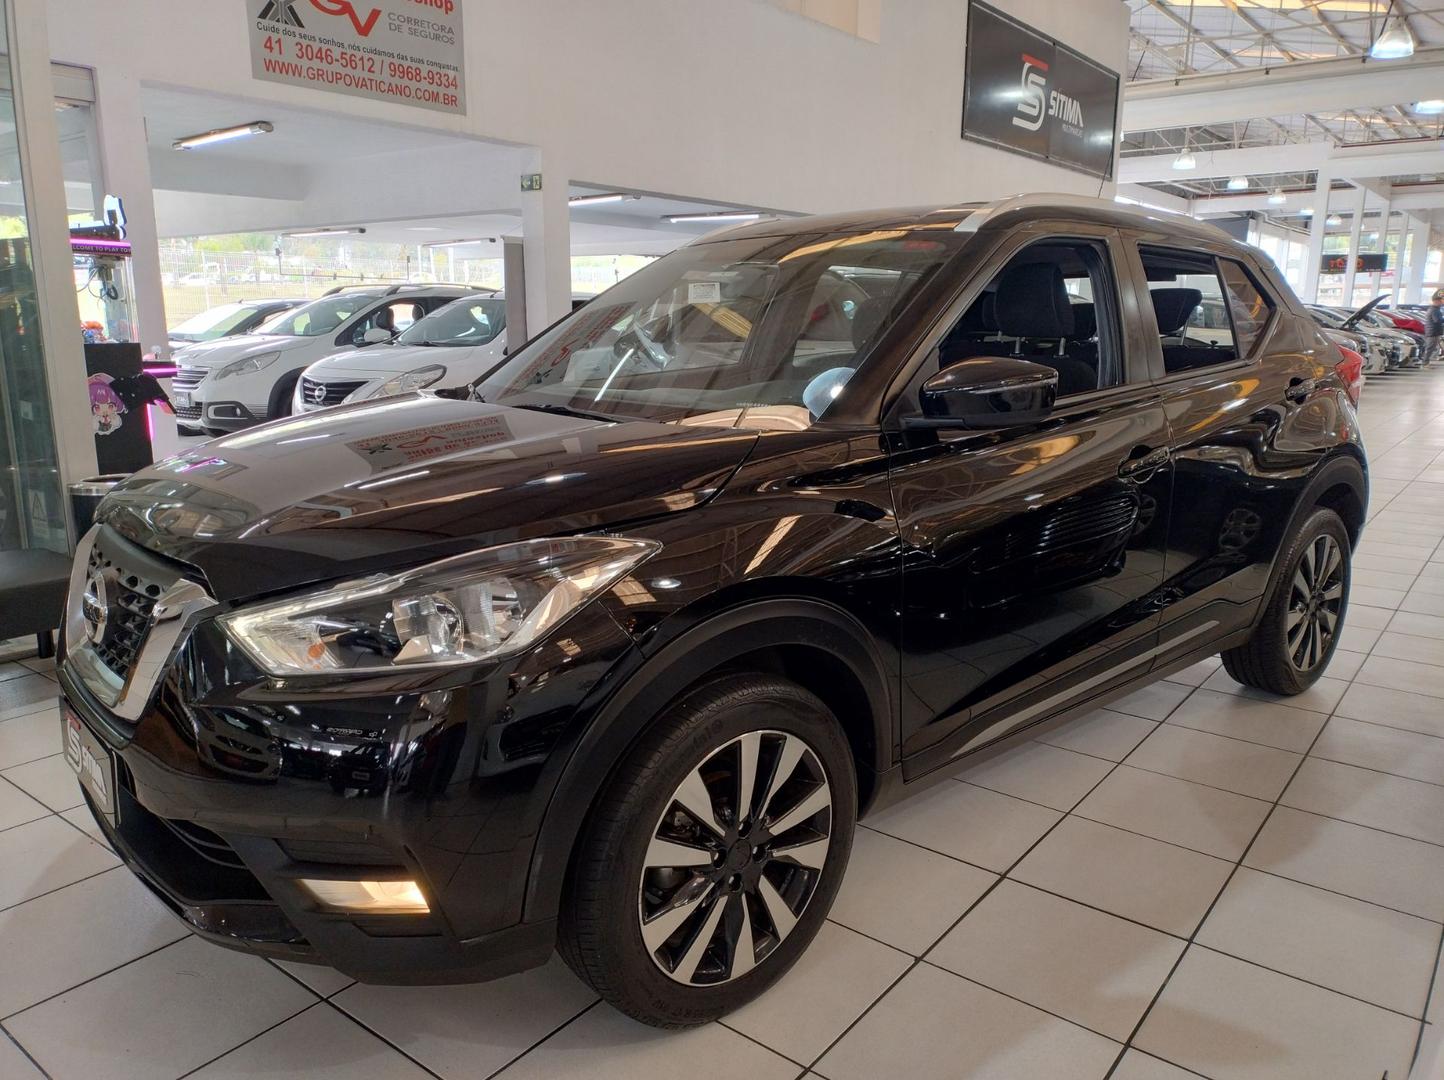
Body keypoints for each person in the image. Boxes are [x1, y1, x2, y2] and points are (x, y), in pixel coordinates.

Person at [1426, 290, 1444, 365]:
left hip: (1434, 332)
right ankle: (1425, 363)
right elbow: (1437, 320)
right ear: (1436, 301)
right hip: (1433, 332)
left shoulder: (1434, 309)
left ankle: (1426, 362)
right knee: (1430, 348)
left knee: (1432, 348)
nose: (1442, 302)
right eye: (1441, 301)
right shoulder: (1434, 310)